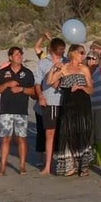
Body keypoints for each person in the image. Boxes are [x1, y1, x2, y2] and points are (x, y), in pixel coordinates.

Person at [48, 43, 94, 176]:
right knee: (68, 133)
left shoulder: (84, 68)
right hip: (68, 105)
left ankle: (83, 166)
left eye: (83, 53)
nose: (83, 55)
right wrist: (54, 69)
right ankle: (70, 165)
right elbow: (51, 82)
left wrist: (81, 87)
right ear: (73, 53)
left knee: (83, 132)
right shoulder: (65, 68)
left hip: (83, 104)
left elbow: (91, 89)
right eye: (81, 52)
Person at [0, 46, 38, 176]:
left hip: (21, 110)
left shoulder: (27, 73)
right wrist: (6, 85)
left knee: (21, 138)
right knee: (5, 139)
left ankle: (22, 166)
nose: (19, 56)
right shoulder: (3, 72)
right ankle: (3, 167)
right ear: (10, 57)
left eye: (21, 54)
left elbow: (34, 92)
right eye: (17, 54)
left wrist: (22, 89)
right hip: (6, 110)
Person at [37, 37, 67, 175]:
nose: (63, 51)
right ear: (54, 49)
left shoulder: (67, 61)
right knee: (50, 133)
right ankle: (47, 165)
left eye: (63, 49)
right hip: (49, 100)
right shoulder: (44, 62)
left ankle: (63, 164)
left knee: (63, 134)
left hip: (64, 100)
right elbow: (37, 83)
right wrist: (41, 96)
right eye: (60, 49)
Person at [86, 44, 101, 167]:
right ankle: (89, 157)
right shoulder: (83, 70)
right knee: (89, 133)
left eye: (93, 58)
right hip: (88, 105)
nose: (91, 60)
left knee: (100, 133)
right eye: (89, 58)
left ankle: (100, 158)